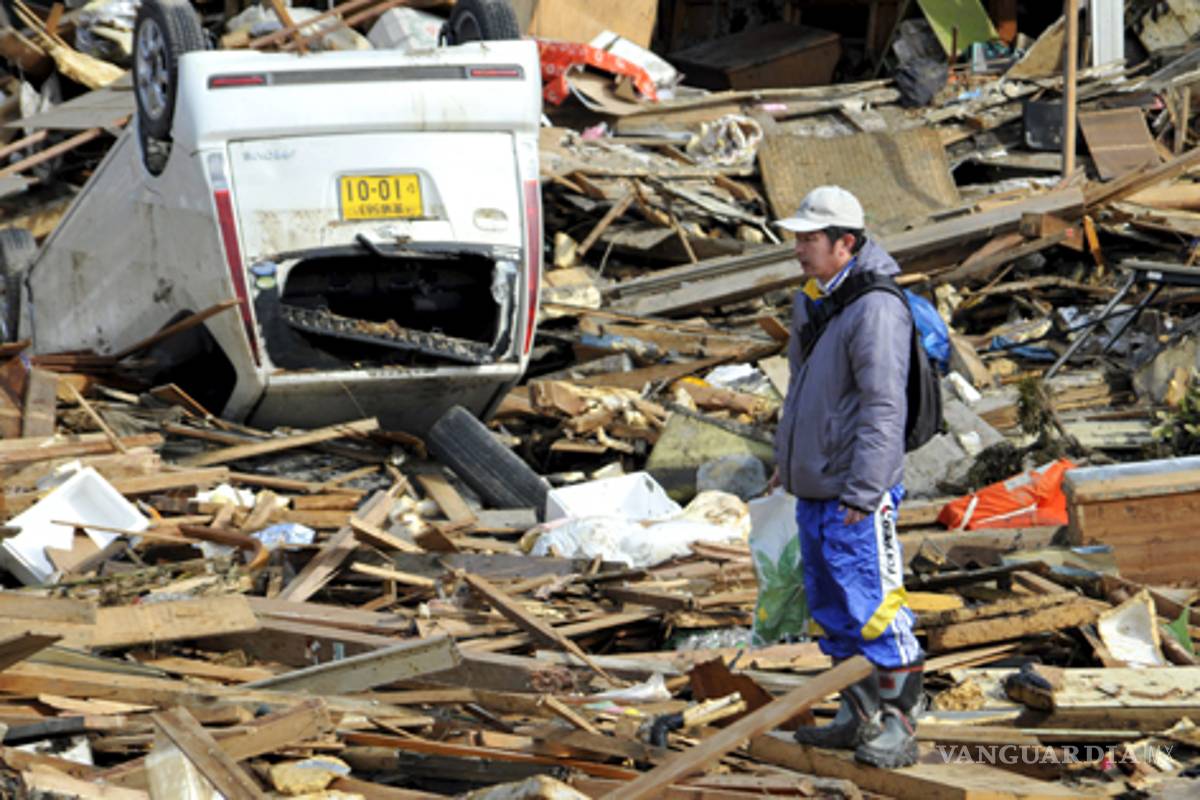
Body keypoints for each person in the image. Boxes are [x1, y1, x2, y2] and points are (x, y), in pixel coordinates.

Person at [772, 185, 925, 769]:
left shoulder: (875, 308)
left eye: (810, 239)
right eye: (798, 238)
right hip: (816, 486)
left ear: (846, 243)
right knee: (832, 608)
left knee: (875, 607)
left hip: (855, 490)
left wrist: (866, 489)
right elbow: (802, 393)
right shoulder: (814, 300)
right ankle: (856, 715)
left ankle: (899, 724)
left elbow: (884, 406)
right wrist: (787, 461)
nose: (799, 249)